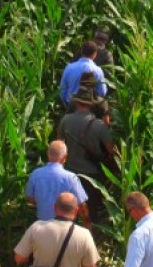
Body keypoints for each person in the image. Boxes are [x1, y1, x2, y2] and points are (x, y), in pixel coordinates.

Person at [56, 86, 118, 223]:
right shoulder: (99, 125)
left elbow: (59, 144)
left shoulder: (65, 120)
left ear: (76, 103)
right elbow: (111, 151)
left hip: (71, 170)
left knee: (71, 204)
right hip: (93, 174)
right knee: (91, 206)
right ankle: (90, 233)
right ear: (91, 104)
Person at [26, 140, 90, 226]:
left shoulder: (35, 174)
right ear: (65, 157)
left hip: (42, 225)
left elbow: (30, 198)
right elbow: (82, 206)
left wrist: (44, 204)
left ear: (48, 155)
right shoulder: (71, 177)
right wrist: (87, 224)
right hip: (65, 227)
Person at [59, 41, 107, 109]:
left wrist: (66, 104)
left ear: (81, 52)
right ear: (95, 54)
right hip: (89, 108)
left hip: (70, 105)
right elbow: (102, 92)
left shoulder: (69, 67)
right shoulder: (97, 70)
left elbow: (62, 90)